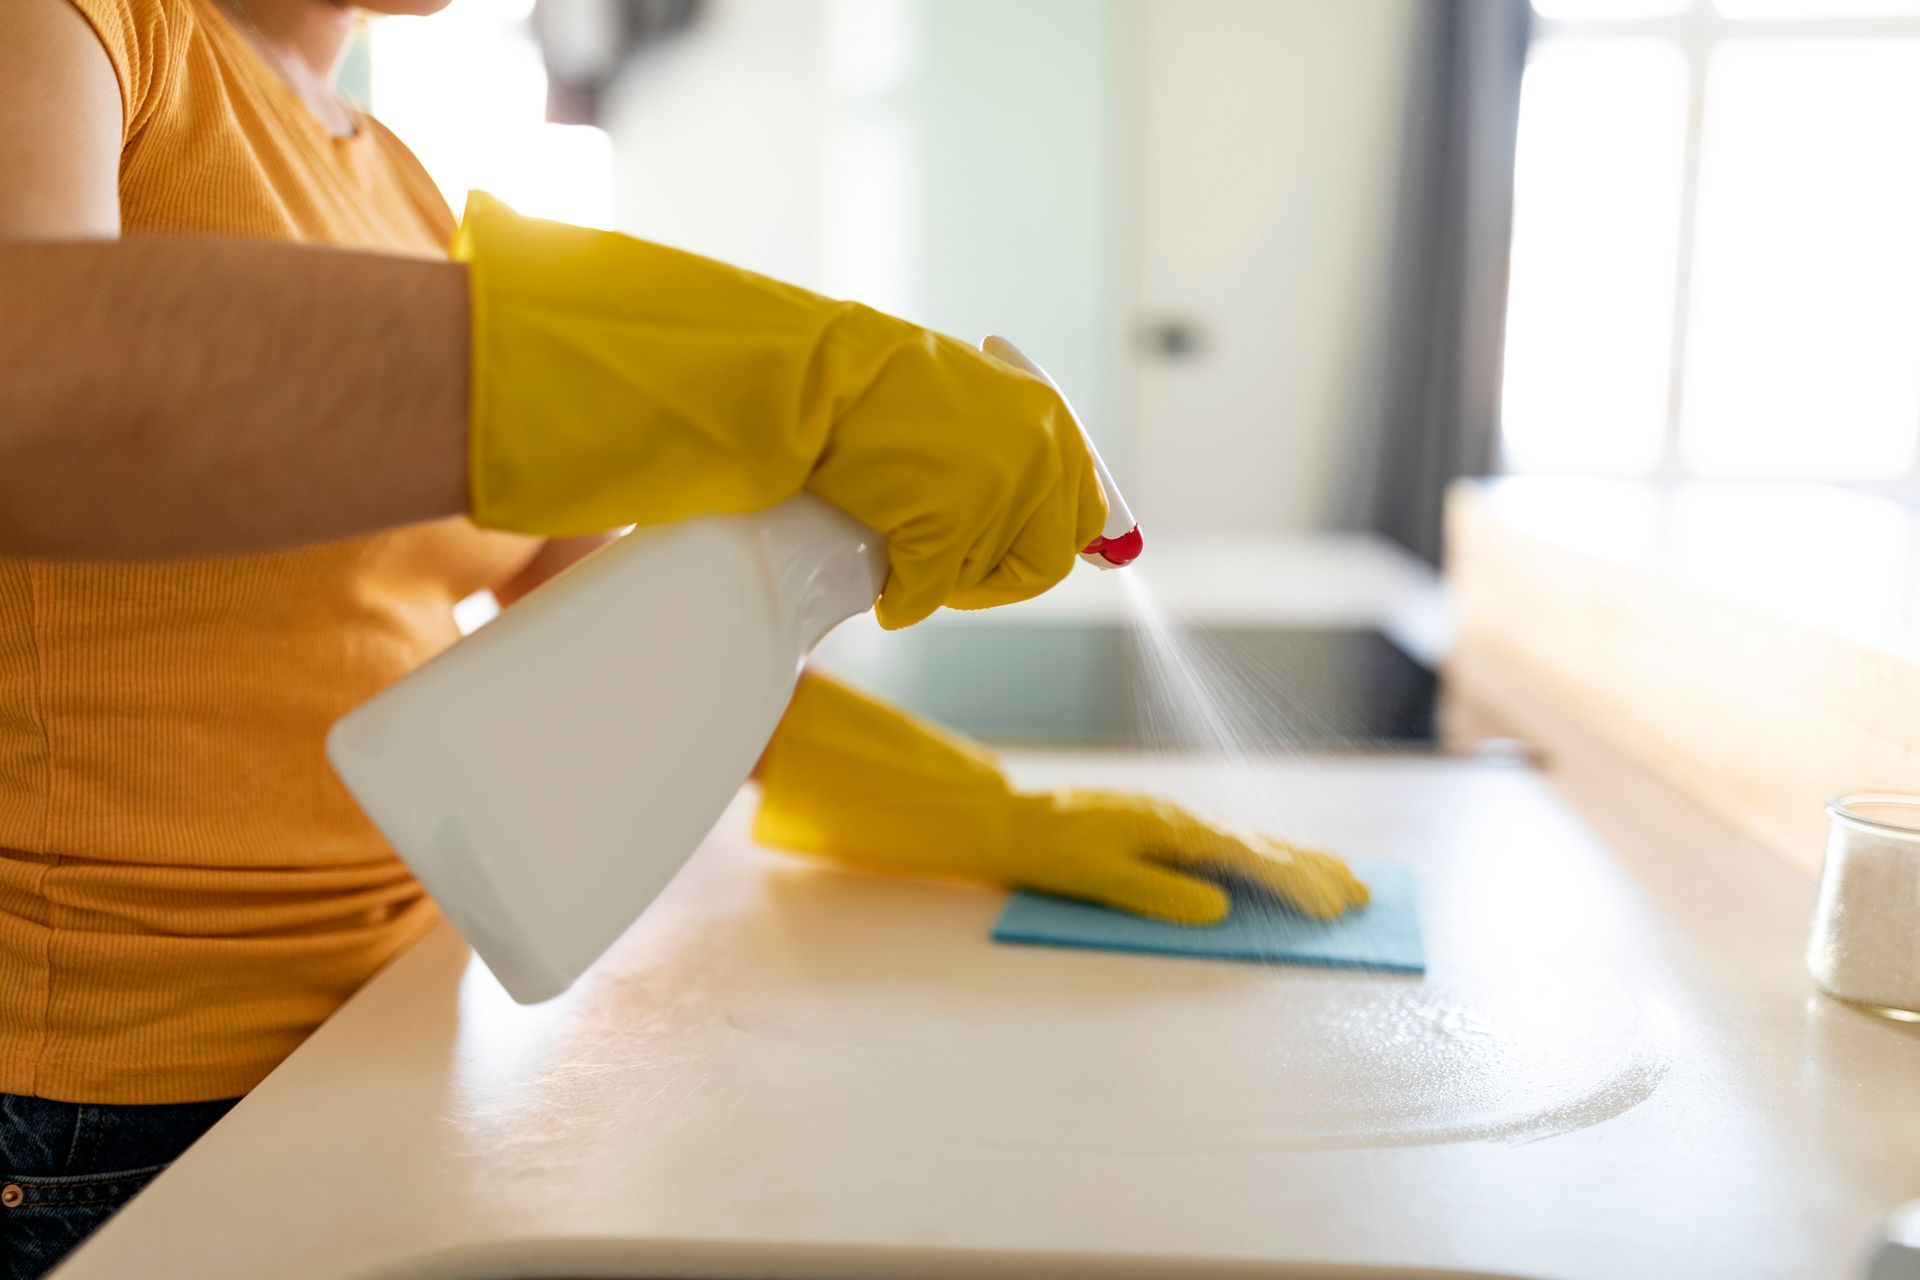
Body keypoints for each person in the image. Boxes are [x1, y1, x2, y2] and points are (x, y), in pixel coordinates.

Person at [0, 0, 1370, 1273]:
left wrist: (962, 809)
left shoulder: (394, 179)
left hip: (386, 1028)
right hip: (95, 1112)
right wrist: (799, 380)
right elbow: (34, 386)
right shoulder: (84, 27)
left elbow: (545, 576)